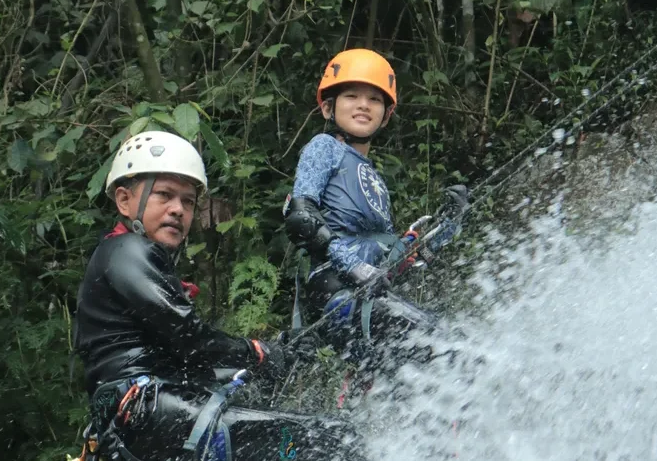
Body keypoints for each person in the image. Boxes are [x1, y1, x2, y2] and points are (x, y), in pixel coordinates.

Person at [74, 131, 363, 461]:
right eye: (164, 195)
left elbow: (191, 355)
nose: (177, 209)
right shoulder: (125, 250)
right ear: (124, 200)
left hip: (142, 416)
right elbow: (189, 336)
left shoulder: (125, 259)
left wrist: (275, 352)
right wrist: (258, 354)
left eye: (188, 201)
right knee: (332, 437)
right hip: (147, 408)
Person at [283, 49, 470, 354]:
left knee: (452, 344)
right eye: (351, 96)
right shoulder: (324, 148)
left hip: (368, 294)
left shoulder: (374, 178)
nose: (363, 105)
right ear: (328, 108)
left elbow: (395, 263)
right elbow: (301, 218)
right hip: (338, 293)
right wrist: (354, 267)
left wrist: (448, 226)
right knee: (446, 347)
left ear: (386, 114)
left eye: (374, 99)